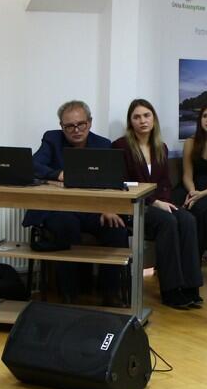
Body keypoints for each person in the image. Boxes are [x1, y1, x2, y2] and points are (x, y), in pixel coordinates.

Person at [23, 100, 128, 305]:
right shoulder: (52, 140)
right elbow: (33, 165)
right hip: (58, 209)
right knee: (66, 224)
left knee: (116, 228)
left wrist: (109, 208)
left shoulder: (103, 145)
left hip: (93, 209)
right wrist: (58, 174)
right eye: (69, 126)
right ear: (61, 126)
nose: (76, 130)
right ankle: (68, 294)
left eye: (81, 124)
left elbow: (112, 181)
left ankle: (110, 293)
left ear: (90, 122)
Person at [113, 99, 203, 309]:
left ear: (154, 119)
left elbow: (164, 184)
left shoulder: (160, 147)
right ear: (130, 122)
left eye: (147, 115)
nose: (142, 121)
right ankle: (170, 291)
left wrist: (164, 202)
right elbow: (122, 184)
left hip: (160, 204)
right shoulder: (120, 146)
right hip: (134, 206)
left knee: (188, 220)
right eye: (137, 117)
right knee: (167, 222)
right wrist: (154, 202)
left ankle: (191, 288)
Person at [181, 103, 207, 256]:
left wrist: (201, 194)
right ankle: (186, 259)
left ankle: (198, 256)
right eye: (205, 116)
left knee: (202, 210)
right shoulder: (191, 142)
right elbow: (187, 174)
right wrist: (192, 192)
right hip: (194, 185)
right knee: (184, 208)